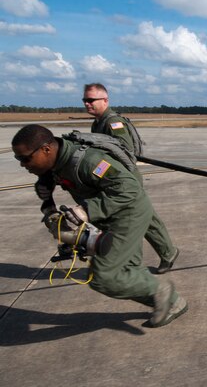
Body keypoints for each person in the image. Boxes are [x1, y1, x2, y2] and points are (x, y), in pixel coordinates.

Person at [12, 124, 187, 327]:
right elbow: (50, 178)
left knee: (103, 277)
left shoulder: (90, 161)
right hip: (108, 216)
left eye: (25, 158)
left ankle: (162, 293)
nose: (23, 165)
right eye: (18, 159)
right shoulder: (56, 162)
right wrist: (47, 203)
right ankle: (172, 302)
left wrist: (85, 210)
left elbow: (129, 189)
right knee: (129, 272)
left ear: (46, 149)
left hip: (128, 213)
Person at [82, 83, 179, 273]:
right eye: (85, 100)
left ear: (105, 100)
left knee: (136, 218)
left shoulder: (113, 123)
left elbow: (123, 151)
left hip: (125, 178)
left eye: (91, 100)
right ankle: (167, 253)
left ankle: (145, 259)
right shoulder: (98, 123)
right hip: (113, 178)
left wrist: (98, 169)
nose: (87, 104)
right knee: (145, 216)